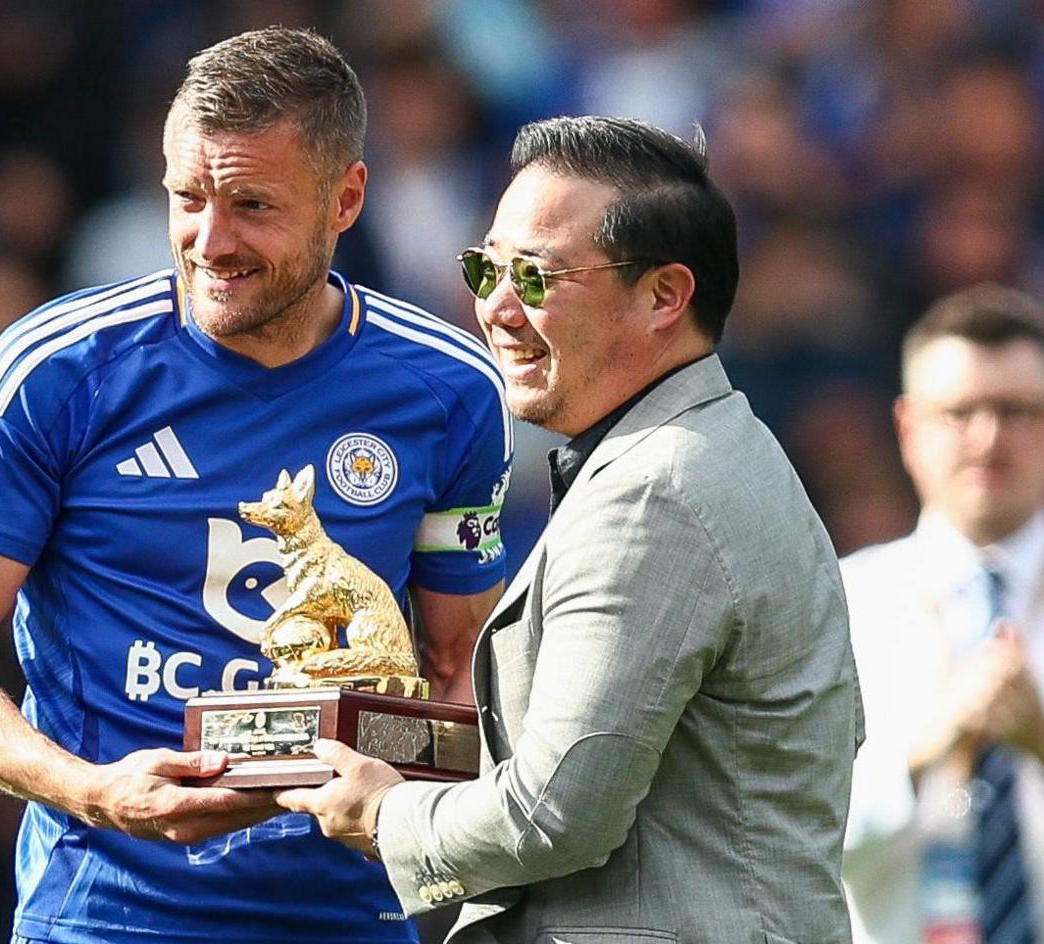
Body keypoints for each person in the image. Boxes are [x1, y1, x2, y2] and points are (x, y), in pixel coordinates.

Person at [0, 27, 513, 944]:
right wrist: (91, 792)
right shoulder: (56, 371)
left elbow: (456, 673)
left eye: (253, 205)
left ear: (346, 199)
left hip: (348, 918)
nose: (209, 242)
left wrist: (390, 798)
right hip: (105, 916)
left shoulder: (451, 392)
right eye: (187, 198)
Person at [279, 115, 863, 942]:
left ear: (665, 295)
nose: (496, 308)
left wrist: (383, 812)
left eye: (539, 277)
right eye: (487, 268)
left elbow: (554, 814)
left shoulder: (656, 491)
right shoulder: (704, 452)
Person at [842, 285, 1044, 943]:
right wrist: (917, 757)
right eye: (959, 412)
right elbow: (778, 835)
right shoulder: (840, 601)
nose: (988, 440)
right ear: (907, 428)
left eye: (1016, 412)